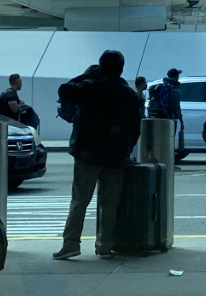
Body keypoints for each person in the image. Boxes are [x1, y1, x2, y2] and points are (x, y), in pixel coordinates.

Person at [52, 51, 141, 261]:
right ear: (121, 68)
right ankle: (104, 246)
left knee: (80, 200)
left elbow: (64, 90)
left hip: (88, 153)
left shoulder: (89, 87)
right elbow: (136, 127)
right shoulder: (128, 94)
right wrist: (126, 149)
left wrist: (86, 75)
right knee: (109, 203)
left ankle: (71, 243)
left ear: (101, 66)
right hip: (116, 156)